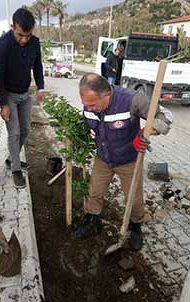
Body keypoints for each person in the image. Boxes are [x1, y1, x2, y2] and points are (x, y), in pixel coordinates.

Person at [73, 73, 174, 250]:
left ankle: (135, 227)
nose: (88, 108)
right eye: (85, 105)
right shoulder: (90, 106)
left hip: (128, 160)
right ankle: (92, 222)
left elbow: (165, 115)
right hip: (103, 157)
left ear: (106, 95)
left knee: (134, 199)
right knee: (94, 192)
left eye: (92, 104)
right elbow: (89, 123)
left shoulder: (132, 100)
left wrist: (148, 132)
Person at [0, 8, 45, 189]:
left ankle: (11, 159)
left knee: (26, 130)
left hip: (25, 94)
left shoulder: (34, 43)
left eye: (28, 36)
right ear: (12, 27)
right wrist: (3, 104)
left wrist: (41, 87)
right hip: (9, 96)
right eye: (20, 35)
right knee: (13, 133)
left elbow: (38, 66)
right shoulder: (1, 45)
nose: (24, 40)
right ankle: (15, 169)